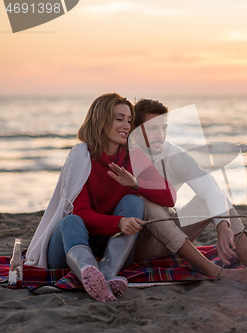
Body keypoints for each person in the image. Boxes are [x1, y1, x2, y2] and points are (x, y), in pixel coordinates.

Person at [25, 93, 176, 302]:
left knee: (134, 201)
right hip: (69, 247)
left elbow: (170, 196)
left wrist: (135, 183)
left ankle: (105, 274)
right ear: (101, 119)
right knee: (71, 220)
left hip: (112, 249)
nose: (126, 125)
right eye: (119, 118)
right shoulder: (81, 157)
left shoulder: (134, 156)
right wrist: (119, 222)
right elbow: (82, 213)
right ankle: (89, 270)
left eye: (130, 120)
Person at [130, 98, 247, 282]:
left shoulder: (173, 155)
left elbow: (210, 187)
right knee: (147, 203)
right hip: (138, 243)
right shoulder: (124, 155)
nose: (160, 135)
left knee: (217, 196)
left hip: (171, 238)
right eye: (152, 128)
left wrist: (222, 225)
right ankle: (216, 271)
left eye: (164, 128)